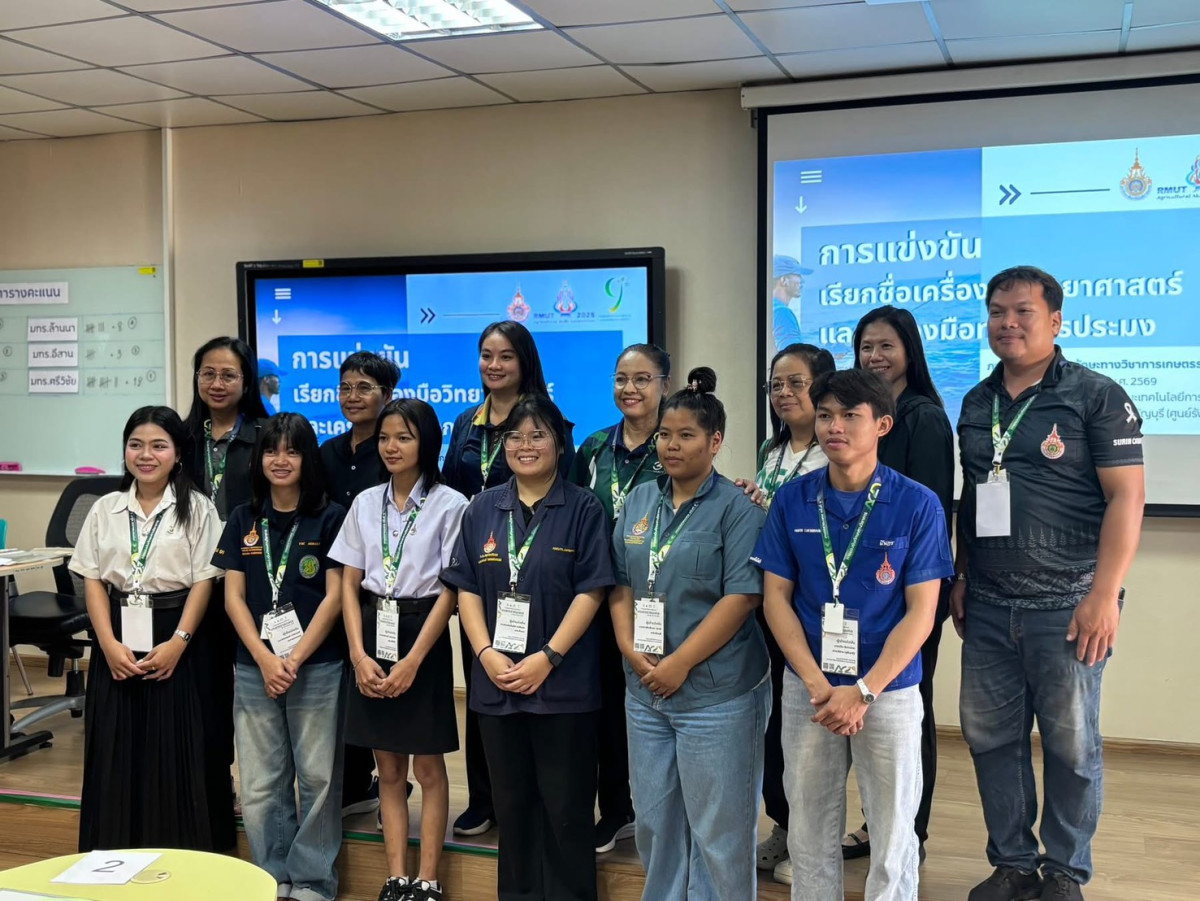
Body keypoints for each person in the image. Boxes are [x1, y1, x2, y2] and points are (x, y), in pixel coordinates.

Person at [953, 267, 1145, 901]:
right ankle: (1013, 863)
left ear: (1055, 321)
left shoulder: (1096, 395)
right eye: (997, 311)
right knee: (990, 741)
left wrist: (1103, 595)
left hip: (1069, 606)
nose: (1007, 322)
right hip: (988, 604)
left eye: (1023, 311)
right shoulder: (976, 402)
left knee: (1071, 747)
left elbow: (1127, 498)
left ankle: (1064, 872)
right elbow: (971, 497)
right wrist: (961, 573)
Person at [752, 369, 953, 901]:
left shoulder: (918, 504)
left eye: (849, 416)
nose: (833, 426)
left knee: (892, 829)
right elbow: (776, 600)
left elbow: (922, 614)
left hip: (887, 689)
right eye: (824, 415)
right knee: (808, 825)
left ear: (882, 424)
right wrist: (819, 685)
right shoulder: (793, 500)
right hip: (810, 689)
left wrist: (863, 691)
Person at [442, 395, 613, 901]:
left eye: (538, 435)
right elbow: (467, 589)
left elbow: (592, 592)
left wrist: (548, 657)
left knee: (566, 810)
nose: (525, 445)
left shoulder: (584, 507)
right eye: (514, 436)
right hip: (497, 683)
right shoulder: (481, 508)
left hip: (563, 687)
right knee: (512, 808)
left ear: (559, 443)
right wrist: (485, 654)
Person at [611, 367, 770, 901]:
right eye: (664, 435)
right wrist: (630, 649)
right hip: (645, 691)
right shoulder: (639, 501)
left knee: (719, 833)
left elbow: (741, 597)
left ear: (715, 441)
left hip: (716, 694)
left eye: (686, 435)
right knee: (655, 823)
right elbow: (619, 583)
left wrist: (679, 664)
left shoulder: (737, 508)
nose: (671, 446)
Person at [69, 406, 230, 852]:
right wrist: (106, 644)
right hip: (116, 635)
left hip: (178, 635)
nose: (146, 455)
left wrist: (179, 642)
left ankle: (180, 859)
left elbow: (204, 581)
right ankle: (113, 853)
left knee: (175, 750)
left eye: (159, 446)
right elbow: (93, 579)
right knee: (116, 748)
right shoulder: (105, 508)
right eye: (136, 445)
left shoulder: (198, 508)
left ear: (177, 454)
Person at [441, 321, 576, 837]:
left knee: (536, 689)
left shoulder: (547, 421)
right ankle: (485, 797)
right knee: (485, 683)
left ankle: (534, 798)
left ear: (525, 362)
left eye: (505, 356)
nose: (493, 365)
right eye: (486, 355)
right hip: (484, 571)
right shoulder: (465, 423)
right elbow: (451, 492)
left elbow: (567, 497)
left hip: (539, 574)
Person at [331, 399, 467, 901]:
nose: (391, 446)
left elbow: (451, 591)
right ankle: (396, 877)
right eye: (385, 437)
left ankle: (427, 879)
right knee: (388, 769)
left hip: (422, 634)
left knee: (427, 769)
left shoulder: (451, 505)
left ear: (426, 442)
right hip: (372, 631)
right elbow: (348, 584)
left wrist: (413, 660)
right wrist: (357, 654)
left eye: (404, 437)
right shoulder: (365, 503)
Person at [213, 413, 348, 901]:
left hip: (317, 665)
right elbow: (233, 598)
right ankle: (270, 876)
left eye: (292, 450)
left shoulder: (331, 517)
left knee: (317, 777)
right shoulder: (242, 518)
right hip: (255, 668)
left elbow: (336, 597)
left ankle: (312, 879)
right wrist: (266, 659)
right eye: (271, 450)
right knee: (259, 782)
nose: (281, 460)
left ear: (307, 457)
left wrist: (292, 658)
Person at [841, 307, 955, 864]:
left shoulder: (922, 418)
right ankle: (877, 824)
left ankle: (910, 833)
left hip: (907, 593)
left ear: (909, 349)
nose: (875, 357)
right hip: (858, 591)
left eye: (886, 346)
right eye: (866, 347)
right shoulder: (860, 415)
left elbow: (926, 513)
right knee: (870, 710)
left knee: (907, 708)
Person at [568, 343, 670, 854]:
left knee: (649, 705)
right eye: (621, 379)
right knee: (602, 706)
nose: (630, 389)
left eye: (642, 379)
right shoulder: (593, 447)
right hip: (593, 595)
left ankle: (659, 815)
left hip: (652, 597)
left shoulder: (673, 444)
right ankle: (614, 810)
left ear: (664, 385)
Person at [743, 343, 836, 883]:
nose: (783, 393)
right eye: (775, 384)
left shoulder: (835, 447)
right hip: (770, 598)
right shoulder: (772, 448)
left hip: (817, 603)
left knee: (811, 731)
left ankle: (812, 839)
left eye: (795, 383)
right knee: (776, 723)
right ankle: (784, 824)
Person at [182, 336, 272, 827]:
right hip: (192, 584)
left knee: (254, 692)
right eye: (208, 374)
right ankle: (215, 787)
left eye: (228, 375)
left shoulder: (266, 436)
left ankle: (264, 793)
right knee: (205, 693)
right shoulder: (180, 438)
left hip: (251, 582)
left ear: (246, 381)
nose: (217, 383)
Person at [319, 350, 402, 819]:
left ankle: (392, 784)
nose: (353, 396)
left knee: (381, 687)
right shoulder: (326, 453)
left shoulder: (395, 453)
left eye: (364, 388)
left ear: (387, 395)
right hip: (331, 588)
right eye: (346, 387)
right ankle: (353, 784)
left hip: (382, 595)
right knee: (341, 687)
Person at [771, 255, 810, 351]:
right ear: (784, 280)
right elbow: (792, 356)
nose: (802, 281)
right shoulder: (782, 312)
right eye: (798, 275)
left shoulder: (770, 309)